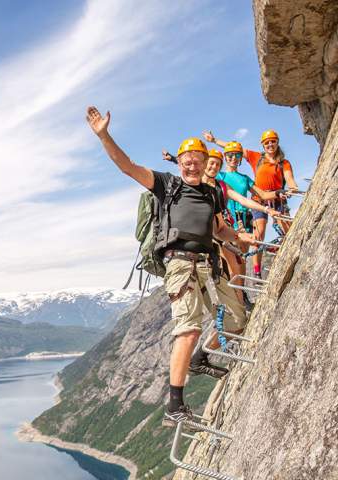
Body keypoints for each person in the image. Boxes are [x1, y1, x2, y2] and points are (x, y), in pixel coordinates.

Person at [87, 106, 255, 426]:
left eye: (197, 159)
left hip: (210, 263)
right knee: (189, 328)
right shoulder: (167, 185)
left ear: (206, 164)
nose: (192, 163)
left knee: (238, 319)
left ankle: (200, 358)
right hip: (180, 265)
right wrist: (104, 135)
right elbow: (127, 167)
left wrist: (239, 238)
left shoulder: (211, 194)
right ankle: (174, 406)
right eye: (186, 159)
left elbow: (218, 228)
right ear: (179, 164)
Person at [162, 148, 278, 305]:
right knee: (232, 266)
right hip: (212, 233)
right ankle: (239, 304)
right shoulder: (197, 183)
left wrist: (265, 209)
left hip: (226, 228)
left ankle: (240, 299)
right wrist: (173, 158)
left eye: (217, 164)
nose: (214, 167)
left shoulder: (221, 186)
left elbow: (242, 200)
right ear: (204, 165)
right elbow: (189, 167)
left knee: (239, 264)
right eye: (211, 163)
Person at [203, 129, 299, 277]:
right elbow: (203, 172)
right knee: (231, 257)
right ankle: (237, 287)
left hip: (244, 217)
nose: (233, 158)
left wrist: (280, 192)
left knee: (242, 256)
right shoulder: (219, 175)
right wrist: (214, 141)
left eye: (237, 156)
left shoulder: (246, 177)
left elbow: (263, 192)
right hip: (227, 218)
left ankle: (243, 292)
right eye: (230, 156)